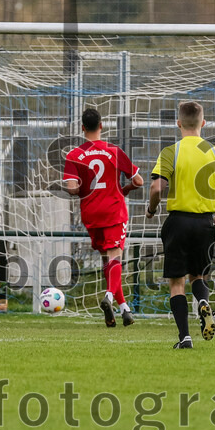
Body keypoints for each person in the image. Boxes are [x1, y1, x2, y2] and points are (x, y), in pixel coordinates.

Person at [146, 102, 215, 349]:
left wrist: (152, 209)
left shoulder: (171, 152)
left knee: (177, 283)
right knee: (199, 275)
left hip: (178, 221)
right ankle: (203, 304)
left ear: (178, 123)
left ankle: (184, 337)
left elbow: (156, 187)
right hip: (205, 222)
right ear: (203, 123)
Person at [64, 108, 143, 327]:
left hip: (91, 213)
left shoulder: (74, 155)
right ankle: (108, 297)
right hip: (113, 210)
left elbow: (72, 188)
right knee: (115, 257)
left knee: (107, 261)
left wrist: (81, 189)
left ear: (82, 128)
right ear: (101, 126)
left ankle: (124, 308)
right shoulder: (114, 151)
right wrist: (124, 189)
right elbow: (139, 181)